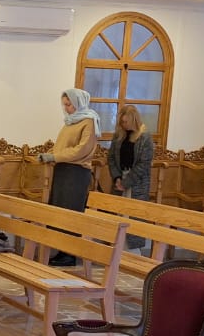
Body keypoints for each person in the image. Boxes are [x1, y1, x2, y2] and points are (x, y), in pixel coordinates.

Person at [37, 88, 100, 266]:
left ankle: (70, 254)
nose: (66, 108)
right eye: (64, 104)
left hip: (76, 173)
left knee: (71, 212)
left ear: (79, 103)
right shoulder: (70, 121)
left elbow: (81, 150)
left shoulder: (89, 121)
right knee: (59, 211)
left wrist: (54, 157)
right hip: (63, 171)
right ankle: (60, 250)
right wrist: (48, 154)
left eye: (69, 104)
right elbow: (61, 146)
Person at [107, 104, 154, 251]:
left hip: (136, 183)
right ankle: (116, 251)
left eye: (126, 122)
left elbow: (143, 164)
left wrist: (126, 182)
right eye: (122, 122)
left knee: (133, 218)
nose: (124, 125)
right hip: (120, 180)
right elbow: (111, 158)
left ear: (134, 120)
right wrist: (117, 178)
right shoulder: (118, 136)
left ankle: (133, 254)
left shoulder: (145, 138)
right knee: (118, 216)